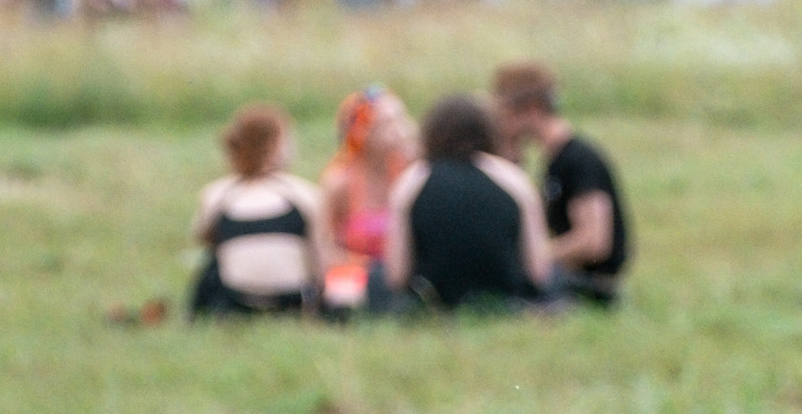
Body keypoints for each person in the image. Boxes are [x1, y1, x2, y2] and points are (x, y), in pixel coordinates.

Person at [389, 92, 554, 312]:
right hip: (507, 297)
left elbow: (397, 274)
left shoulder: (412, 182)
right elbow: (538, 271)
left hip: (433, 300)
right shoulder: (514, 180)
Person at [493, 63, 632, 304]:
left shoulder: (578, 159)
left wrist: (533, 255)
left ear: (531, 109)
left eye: (506, 114)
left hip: (591, 282)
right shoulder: (554, 161)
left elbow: (593, 241)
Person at [189, 104, 324, 318]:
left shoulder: (217, 194)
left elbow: (203, 238)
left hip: (234, 301)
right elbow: (319, 253)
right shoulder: (303, 193)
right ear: (275, 146)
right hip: (292, 300)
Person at [313, 87, 414, 313]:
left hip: (403, 277)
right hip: (353, 279)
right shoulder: (339, 182)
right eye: (387, 125)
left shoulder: (411, 173)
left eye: (401, 120)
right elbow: (322, 245)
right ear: (361, 132)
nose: (399, 131)